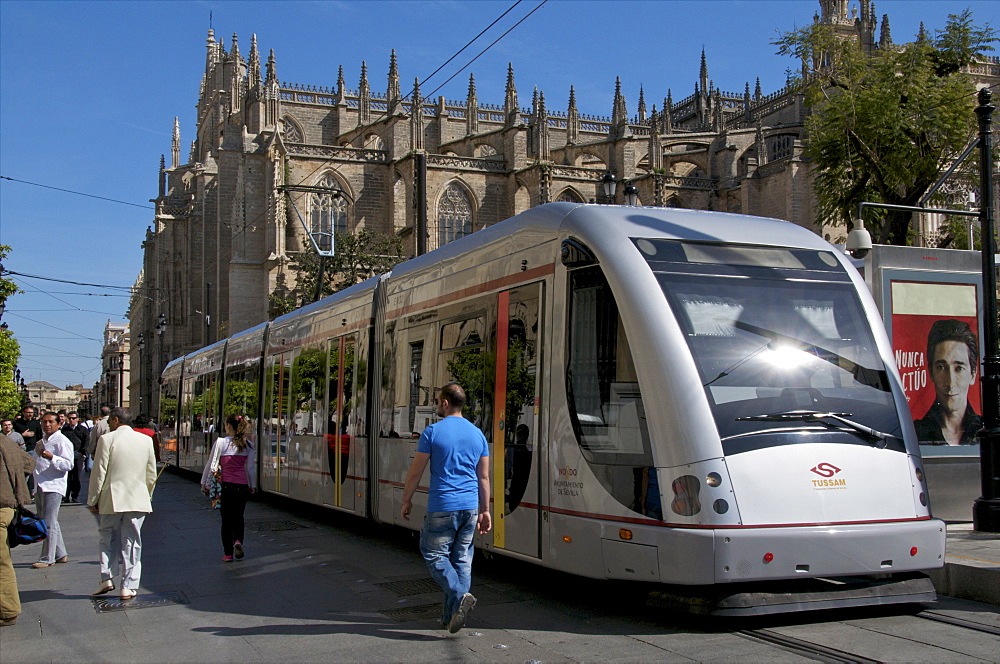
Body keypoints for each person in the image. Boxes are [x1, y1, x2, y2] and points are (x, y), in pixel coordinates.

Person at [400, 383, 491, 634]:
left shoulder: (432, 432)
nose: (438, 405)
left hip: (443, 505)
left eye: (438, 401)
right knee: (461, 560)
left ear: (446, 403)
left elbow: (416, 471)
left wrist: (407, 499)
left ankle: (460, 594)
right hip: (470, 506)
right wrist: (485, 510)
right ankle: (449, 616)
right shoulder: (478, 434)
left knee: (433, 554)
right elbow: (483, 477)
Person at [87, 408, 157, 600]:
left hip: (112, 498)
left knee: (106, 537)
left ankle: (106, 577)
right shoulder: (146, 440)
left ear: (116, 420)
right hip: (137, 498)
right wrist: (147, 495)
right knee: (133, 541)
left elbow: (99, 472)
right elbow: (151, 473)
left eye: (109, 421)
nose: (108, 425)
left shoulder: (107, 440)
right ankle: (128, 585)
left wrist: (93, 499)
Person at [913, 319, 984, 445]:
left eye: (959, 368)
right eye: (941, 367)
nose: (950, 383)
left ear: (973, 374)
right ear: (931, 372)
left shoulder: (986, 432)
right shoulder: (914, 433)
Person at [201, 414, 256, 562]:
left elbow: (211, 464)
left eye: (225, 425)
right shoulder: (248, 444)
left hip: (225, 486)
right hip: (242, 485)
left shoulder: (221, 442)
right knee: (239, 517)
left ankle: (228, 553)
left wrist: (205, 482)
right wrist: (252, 485)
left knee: (226, 520)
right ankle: (238, 540)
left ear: (229, 426)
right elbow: (250, 468)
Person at [1, 429, 36, 627]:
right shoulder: (7, 443)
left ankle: (8, 611)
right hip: (9, 508)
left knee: (1, 563)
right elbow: (29, 463)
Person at [31, 413, 74, 568]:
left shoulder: (62, 441)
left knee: (48, 522)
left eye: (50, 422)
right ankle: (60, 553)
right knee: (49, 520)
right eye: (44, 422)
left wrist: (52, 457)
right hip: (41, 484)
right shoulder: (43, 441)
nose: (47, 424)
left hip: (53, 485)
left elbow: (69, 464)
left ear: (58, 424)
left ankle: (47, 558)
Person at [60, 411, 88, 503]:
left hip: (78, 455)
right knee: (67, 476)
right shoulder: (64, 429)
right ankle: (66, 495)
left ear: (77, 419)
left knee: (76, 477)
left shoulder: (82, 429)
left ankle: (75, 495)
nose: (71, 420)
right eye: (70, 418)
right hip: (67, 455)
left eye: (73, 418)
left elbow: (86, 441)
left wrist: (83, 452)